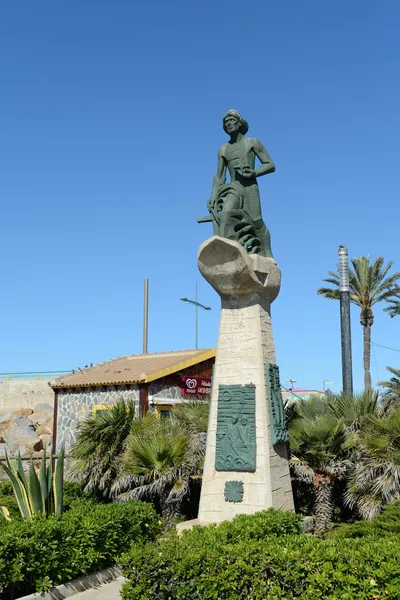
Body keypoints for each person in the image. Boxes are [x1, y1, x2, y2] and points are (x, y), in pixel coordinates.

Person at [207, 110, 275, 258]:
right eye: (226, 123)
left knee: (256, 221)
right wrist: (212, 197)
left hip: (250, 187)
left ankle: (267, 253)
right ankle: (228, 252)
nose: (229, 124)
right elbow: (219, 176)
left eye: (231, 121)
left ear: (239, 123)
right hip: (234, 187)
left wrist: (254, 173)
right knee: (225, 214)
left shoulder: (252, 142)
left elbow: (270, 164)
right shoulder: (223, 149)